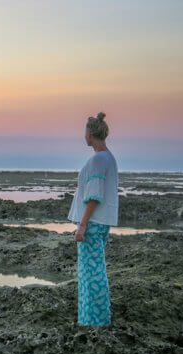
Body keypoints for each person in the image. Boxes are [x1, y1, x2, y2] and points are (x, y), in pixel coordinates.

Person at [67, 112, 119, 327]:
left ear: (90, 133)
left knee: (91, 274)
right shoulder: (108, 157)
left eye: (85, 131)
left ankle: (93, 322)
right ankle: (94, 319)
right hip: (101, 223)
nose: (84, 135)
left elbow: (94, 195)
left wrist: (82, 225)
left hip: (93, 223)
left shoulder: (99, 159)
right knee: (95, 271)